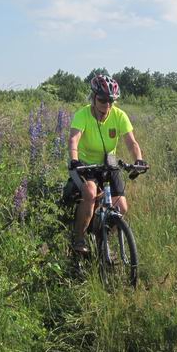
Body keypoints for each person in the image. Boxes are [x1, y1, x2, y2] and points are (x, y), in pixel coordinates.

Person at [67, 74, 148, 253]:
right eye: (102, 100)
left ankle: (101, 236)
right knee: (90, 192)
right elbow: (74, 139)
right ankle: (79, 240)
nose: (107, 105)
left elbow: (131, 142)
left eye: (111, 101)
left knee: (121, 207)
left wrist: (138, 160)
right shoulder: (83, 115)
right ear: (93, 97)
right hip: (86, 165)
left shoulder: (119, 116)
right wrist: (73, 159)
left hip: (109, 164)